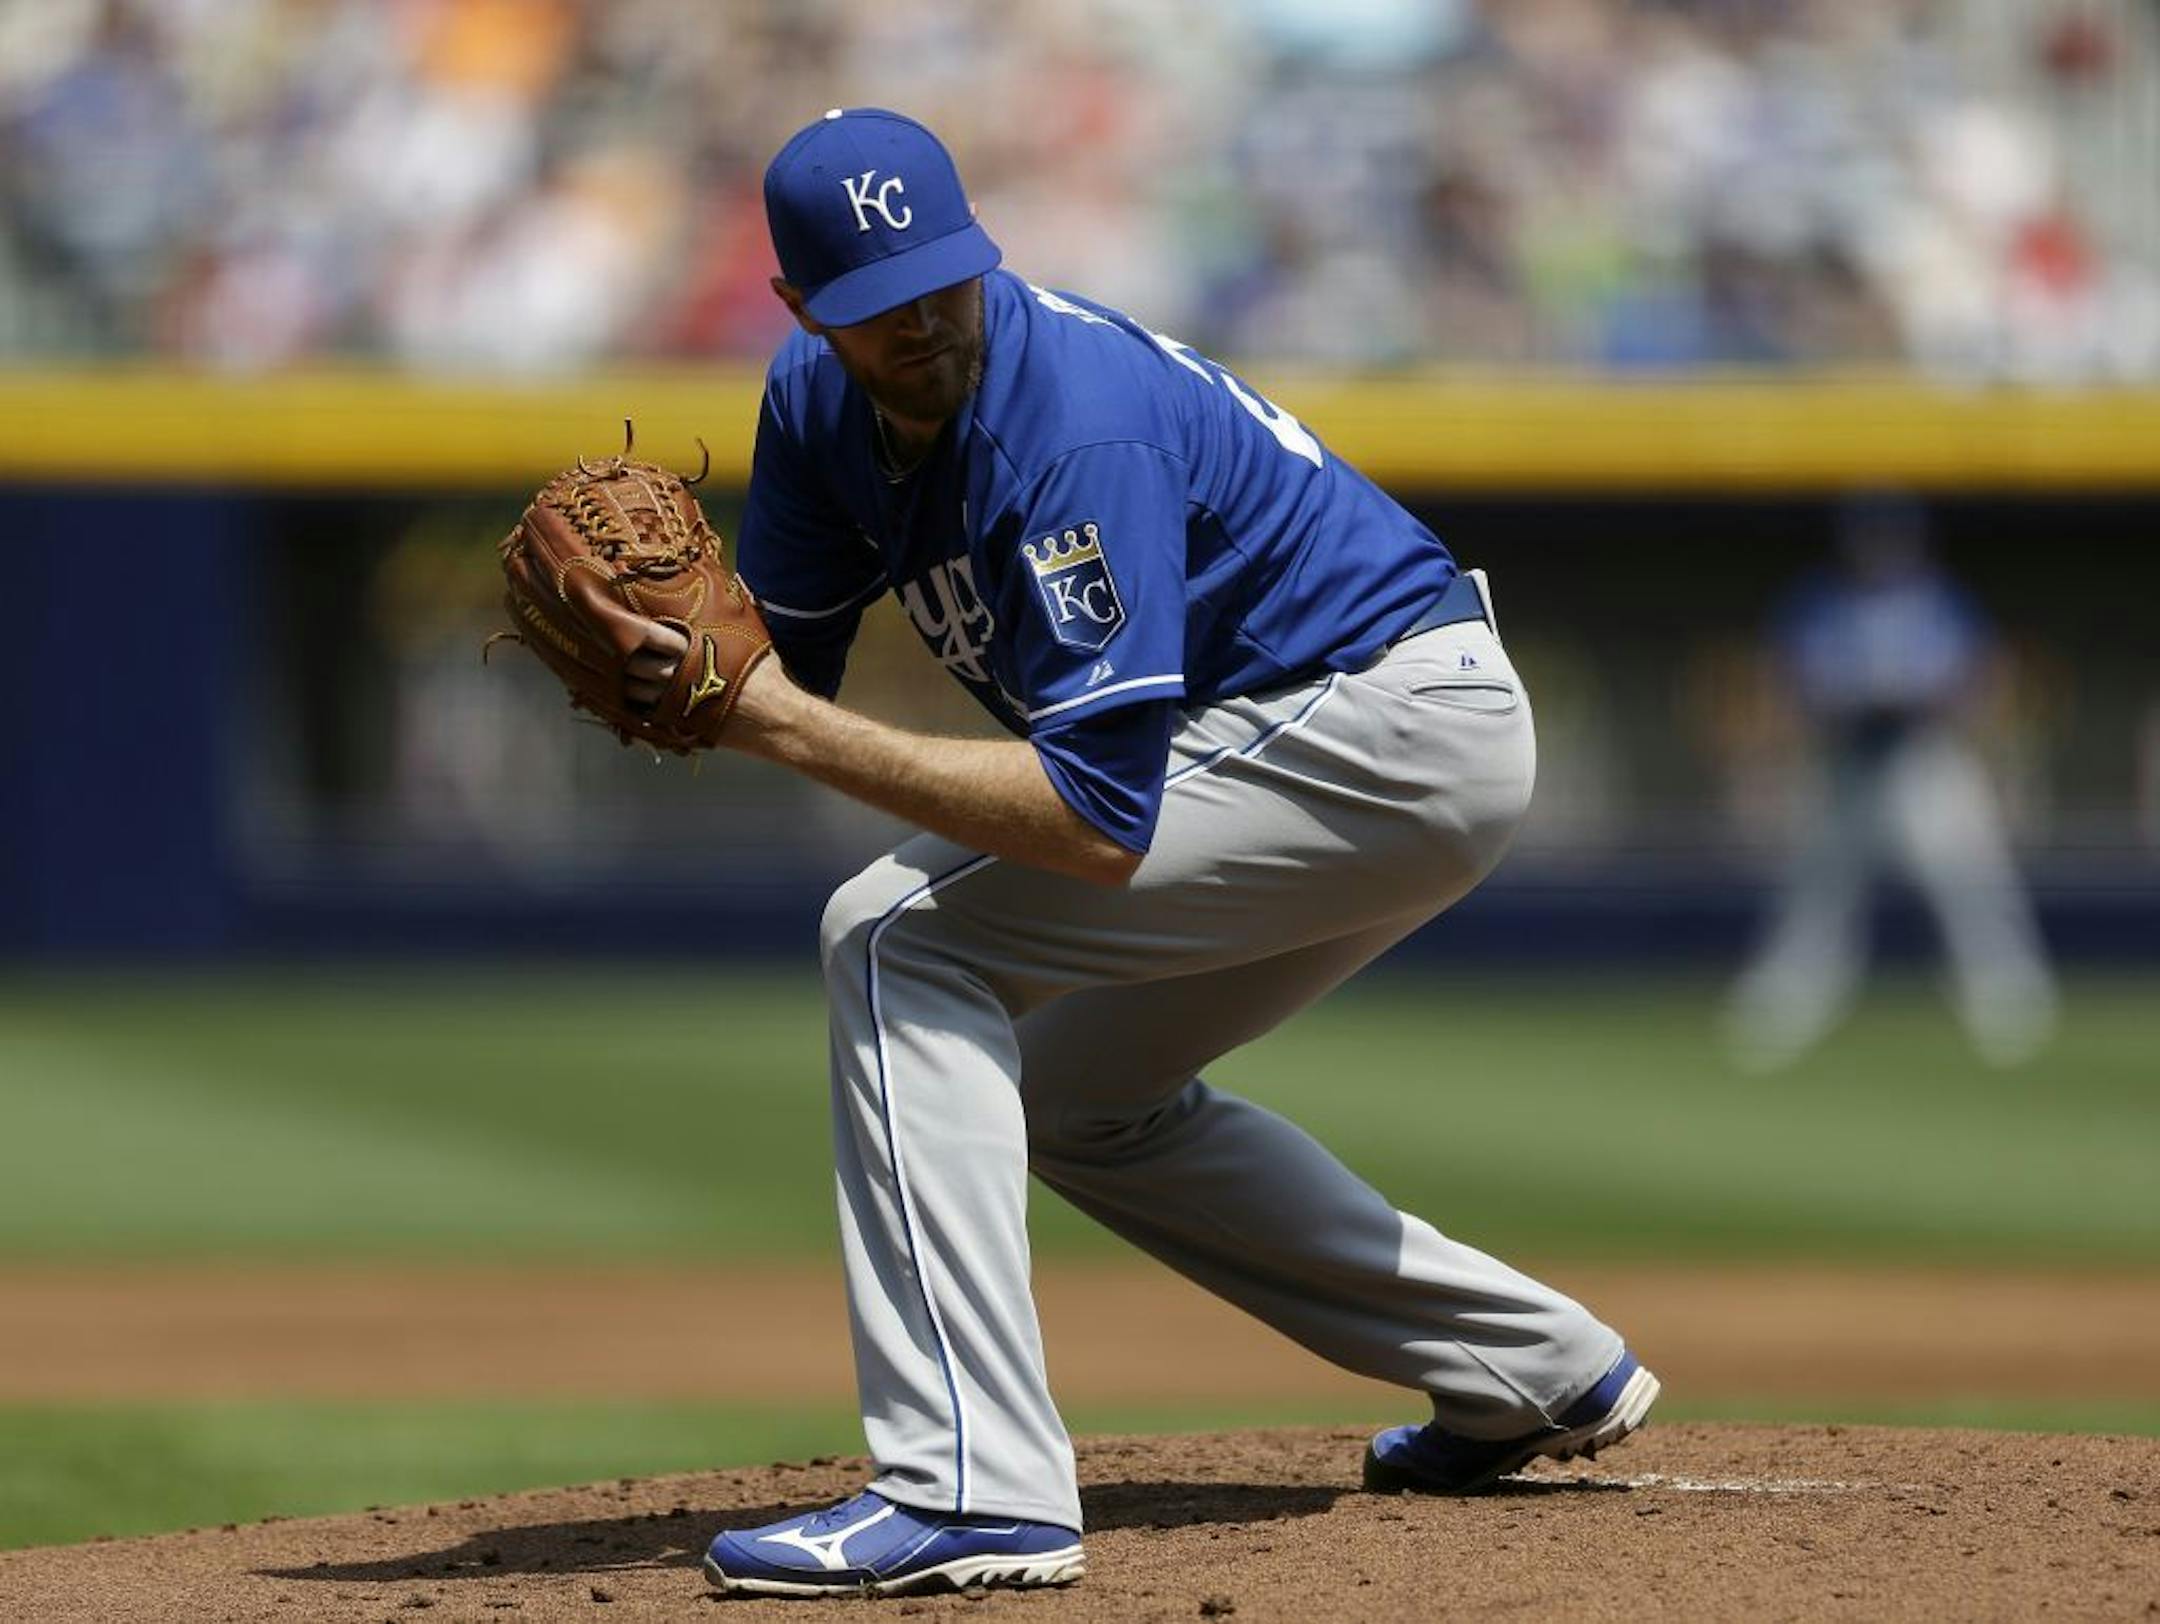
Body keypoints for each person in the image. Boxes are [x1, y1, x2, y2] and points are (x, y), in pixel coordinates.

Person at [630, 108, 1658, 1600]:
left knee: (894, 936)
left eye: (940, 276)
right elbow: (773, 676)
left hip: (1383, 722)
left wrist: (766, 724)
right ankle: (1530, 1367)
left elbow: (1094, 818)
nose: (919, 321)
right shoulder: (813, 410)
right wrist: (674, 684)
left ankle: (971, 1487)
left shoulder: (1071, 423)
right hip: (1331, 738)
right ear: (800, 313)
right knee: (1076, 1096)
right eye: (872, 303)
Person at [1725, 496, 2058, 1070]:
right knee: (1818, 895)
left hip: (1923, 759)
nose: (1880, 548)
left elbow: (1977, 679)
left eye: (1891, 536)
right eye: (1871, 535)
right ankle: (1783, 1009)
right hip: (1847, 760)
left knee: (1970, 885)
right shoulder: (1823, 601)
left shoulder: (1937, 598)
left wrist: (1925, 698)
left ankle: (2009, 1005)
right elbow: (1791, 683)